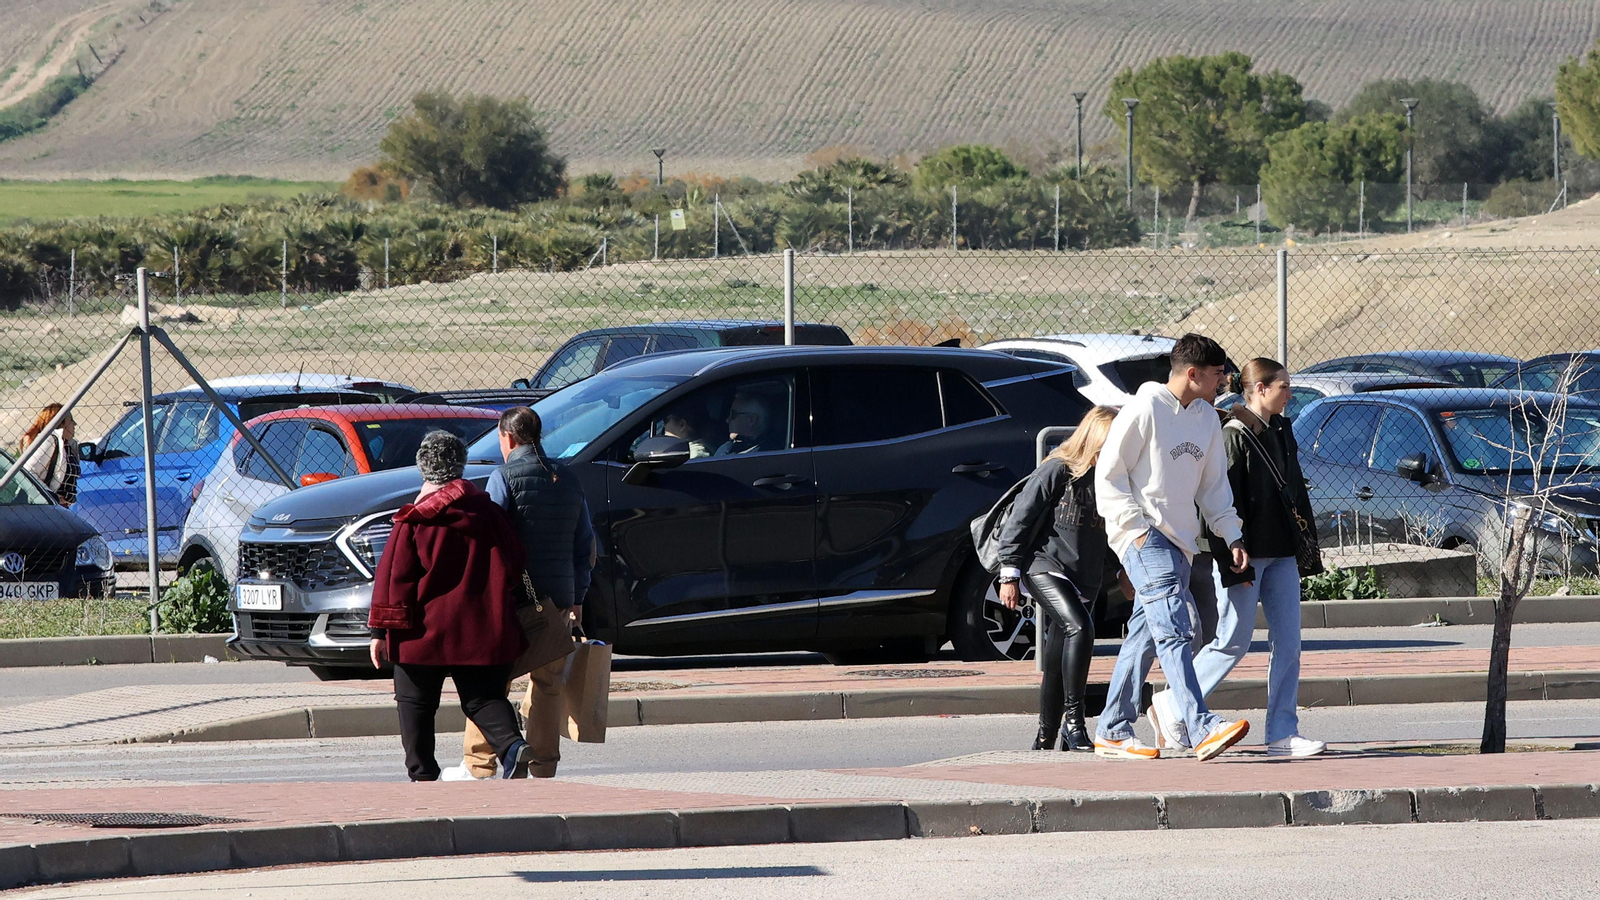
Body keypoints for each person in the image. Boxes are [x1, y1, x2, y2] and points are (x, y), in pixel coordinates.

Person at [1153, 359, 1326, 757]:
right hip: (1244, 557)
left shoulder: (1282, 429)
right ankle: (1173, 702)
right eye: (1284, 386)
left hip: (1282, 553)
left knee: (1290, 643)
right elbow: (1216, 503)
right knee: (1233, 640)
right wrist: (1230, 561)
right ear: (1260, 389)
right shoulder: (1233, 435)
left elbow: (1294, 490)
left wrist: (1305, 547)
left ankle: (1283, 733)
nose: (1290, 393)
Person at [1092, 333, 1252, 762]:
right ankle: (1200, 726)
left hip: (1181, 542)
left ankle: (1111, 729)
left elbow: (1213, 487)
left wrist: (1231, 534)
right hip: (1145, 536)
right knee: (1177, 628)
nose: (1224, 381)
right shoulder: (1144, 408)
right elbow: (1109, 474)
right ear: (1193, 373)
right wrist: (1135, 528)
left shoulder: (1206, 420)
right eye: (1219, 374)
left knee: (1146, 636)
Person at [367, 430, 533, 781]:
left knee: (415, 702)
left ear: (422, 467)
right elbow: (515, 561)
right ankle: (513, 747)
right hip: (482, 626)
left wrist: (381, 631)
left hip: (421, 632)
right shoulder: (489, 512)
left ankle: (422, 772)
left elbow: (395, 579)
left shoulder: (414, 519)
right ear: (460, 465)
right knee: (483, 698)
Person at [444, 406, 595, 780]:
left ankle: (479, 763)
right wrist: (577, 597)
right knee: (548, 684)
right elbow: (585, 546)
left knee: (491, 681)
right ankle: (544, 765)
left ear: (507, 438)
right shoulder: (569, 479)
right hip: (558, 599)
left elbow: (490, 535)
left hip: (513, 600)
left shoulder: (504, 476)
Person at [995, 406, 1119, 752]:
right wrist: (1010, 571)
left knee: (1057, 657)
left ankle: (1045, 736)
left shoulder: (1113, 478)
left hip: (1085, 574)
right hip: (1044, 564)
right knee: (1080, 628)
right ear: (1095, 440)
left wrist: (1123, 569)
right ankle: (1075, 725)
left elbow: (1116, 529)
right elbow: (1020, 516)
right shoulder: (1058, 469)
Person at [19, 404, 79, 506]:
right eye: (71, 420)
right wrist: (49, 497)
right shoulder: (50, 440)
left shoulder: (68, 446)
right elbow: (27, 472)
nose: (75, 424)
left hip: (61, 508)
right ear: (61, 423)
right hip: (45, 508)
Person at [714, 390, 778, 455]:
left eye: (733, 414)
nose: (727, 420)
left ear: (751, 420)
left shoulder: (763, 455)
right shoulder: (728, 447)